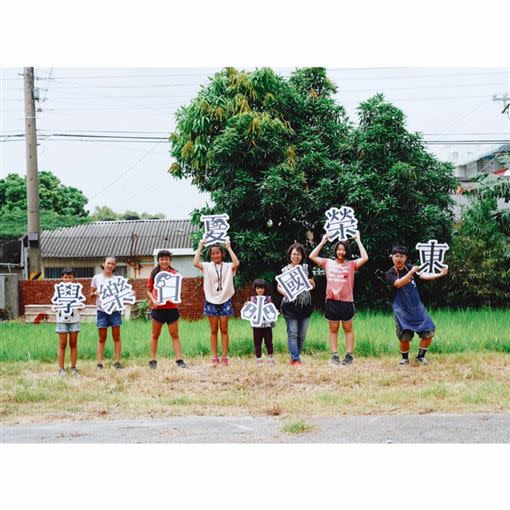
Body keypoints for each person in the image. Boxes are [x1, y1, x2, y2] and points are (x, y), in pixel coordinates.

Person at [310, 233, 369, 365]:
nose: (341, 252)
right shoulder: (327, 263)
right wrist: (323, 240)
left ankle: (349, 355)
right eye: (339, 249)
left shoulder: (351, 265)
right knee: (333, 329)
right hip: (332, 302)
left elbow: (365, 257)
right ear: (335, 250)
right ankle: (335, 355)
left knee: (348, 329)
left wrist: (358, 240)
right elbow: (312, 256)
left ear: (347, 251)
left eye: (343, 249)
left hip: (347, 302)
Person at [386, 245, 448, 365]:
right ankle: (404, 359)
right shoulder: (391, 273)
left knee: (429, 331)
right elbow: (398, 283)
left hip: (417, 308)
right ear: (392, 257)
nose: (399, 259)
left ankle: (420, 357)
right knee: (404, 336)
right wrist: (411, 272)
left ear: (406, 258)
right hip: (401, 310)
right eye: (396, 256)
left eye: (402, 256)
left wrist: (440, 274)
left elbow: (424, 275)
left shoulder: (409, 268)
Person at [193, 238, 240, 366]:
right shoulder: (207, 266)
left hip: (225, 300)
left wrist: (228, 247)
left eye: (218, 253)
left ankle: (224, 357)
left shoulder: (227, 266)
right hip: (211, 300)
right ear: (210, 255)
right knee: (213, 330)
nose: (216, 255)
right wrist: (201, 245)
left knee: (224, 330)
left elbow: (236, 263)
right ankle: (214, 356)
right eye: (213, 254)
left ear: (222, 254)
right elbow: (195, 262)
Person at [146, 250, 188, 369]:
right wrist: (154, 300)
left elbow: (178, 291)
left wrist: (175, 296)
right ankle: (152, 360)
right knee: (155, 335)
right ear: (158, 260)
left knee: (175, 335)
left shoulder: (175, 274)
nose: (164, 261)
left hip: (171, 309)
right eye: (162, 259)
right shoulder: (154, 274)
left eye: (166, 259)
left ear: (170, 260)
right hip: (157, 309)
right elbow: (148, 290)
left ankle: (179, 360)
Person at [277, 243, 315, 366]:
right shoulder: (284, 270)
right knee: (292, 333)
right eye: (293, 254)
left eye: (298, 254)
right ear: (290, 255)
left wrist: (312, 284)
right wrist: (285, 292)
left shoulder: (306, 268)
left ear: (302, 255)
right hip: (290, 306)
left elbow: (312, 284)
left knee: (302, 335)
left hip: (305, 305)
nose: (296, 256)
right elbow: (279, 286)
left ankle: (296, 356)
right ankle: (295, 359)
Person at [91, 256, 125, 370]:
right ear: (103, 264)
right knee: (102, 337)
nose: (110, 265)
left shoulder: (117, 280)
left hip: (115, 311)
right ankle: (99, 363)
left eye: (112, 264)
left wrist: (130, 294)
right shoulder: (96, 278)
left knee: (116, 336)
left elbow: (123, 295)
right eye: (108, 263)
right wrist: (95, 293)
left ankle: (117, 362)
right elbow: (91, 294)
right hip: (102, 311)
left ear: (115, 266)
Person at [53, 268, 81, 376]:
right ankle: (61, 369)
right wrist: (54, 307)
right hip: (61, 320)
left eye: (70, 277)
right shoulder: (58, 290)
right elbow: (54, 302)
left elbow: (81, 302)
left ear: (73, 278)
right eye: (65, 277)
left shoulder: (77, 289)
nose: (68, 279)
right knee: (62, 344)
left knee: (73, 344)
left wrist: (80, 306)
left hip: (74, 319)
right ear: (62, 278)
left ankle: (73, 368)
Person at [248, 278, 275, 365]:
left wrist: (274, 312)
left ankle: (270, 358)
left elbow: (271, 309)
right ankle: (258, 358)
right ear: (255, 289)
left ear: (265, 289)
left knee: (269, 341)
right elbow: (248, 311)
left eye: (262, 288)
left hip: (267, 325)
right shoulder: (252, 299)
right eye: (258, 288)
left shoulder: (268, 299)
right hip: (256, 325)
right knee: (257, 342)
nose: (260, 290)